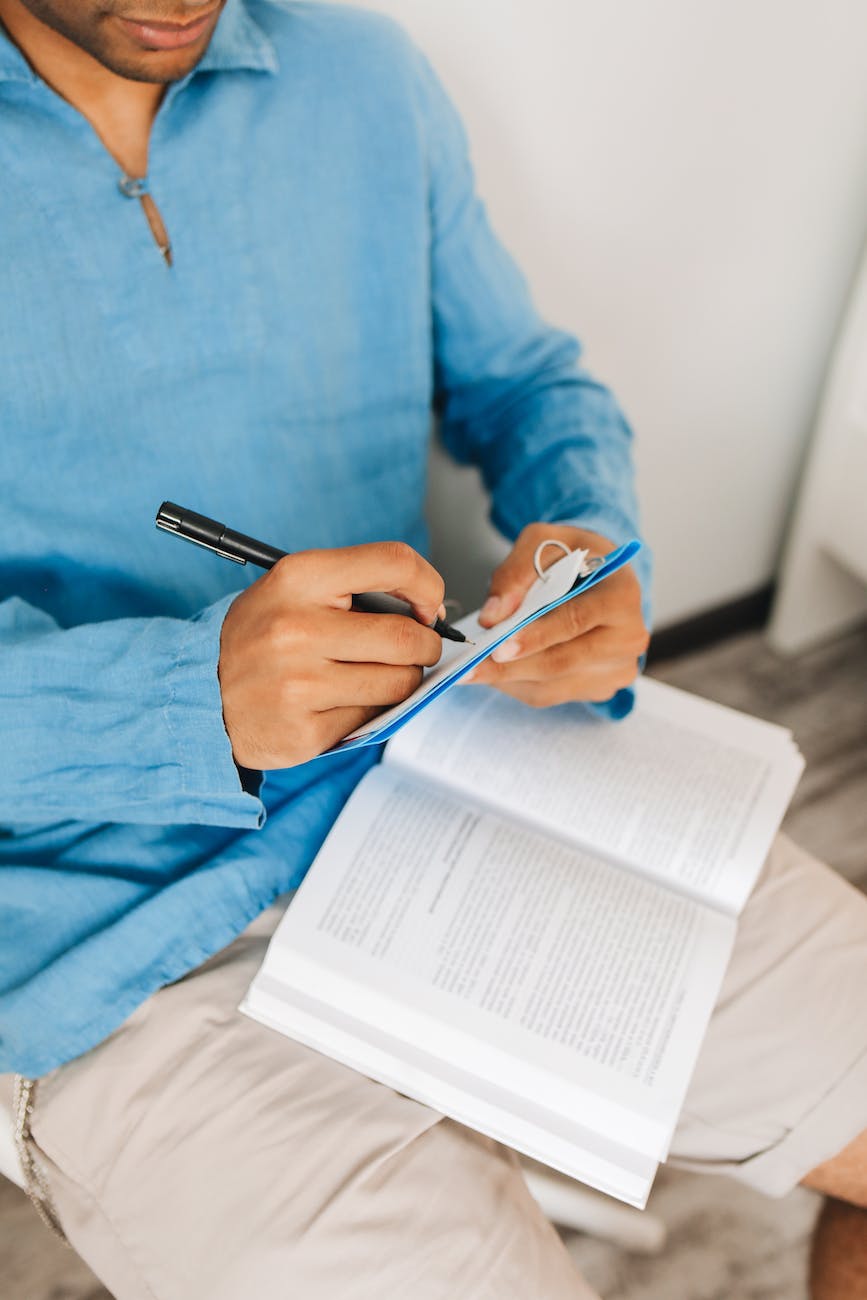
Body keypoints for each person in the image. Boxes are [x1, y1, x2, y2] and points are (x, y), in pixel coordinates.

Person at [0, 1, 864, 1296]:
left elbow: (529, 387)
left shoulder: (364, 80)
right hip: (110, 925)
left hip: (449, 781)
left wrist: (589, 546)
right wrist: (183, 698)